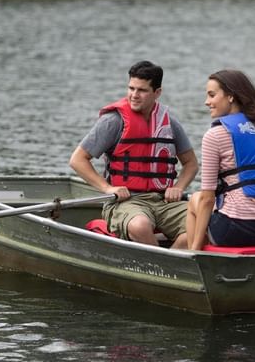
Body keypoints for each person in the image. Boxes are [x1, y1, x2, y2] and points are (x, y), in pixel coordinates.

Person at [70, 60, 198, 248]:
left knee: (205, 221)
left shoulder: (169, 123)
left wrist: (179, 186)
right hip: (126, 202)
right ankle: (164, 266)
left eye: (142, 90)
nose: (134, 95)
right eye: (131, 88)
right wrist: (107, 188)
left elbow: (191, 164)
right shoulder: (113, 121)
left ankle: (171, 263)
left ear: (157, 93)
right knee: (140, 226)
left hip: (163, 202)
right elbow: (77, 160)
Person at [186, 69, 255, 251]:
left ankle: (197, 260)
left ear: (230, 97)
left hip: (236, 230)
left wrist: (194, 249)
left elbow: (207, 199)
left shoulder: (215, 135)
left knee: (196, 198)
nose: (206, 102)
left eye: (212, 95)